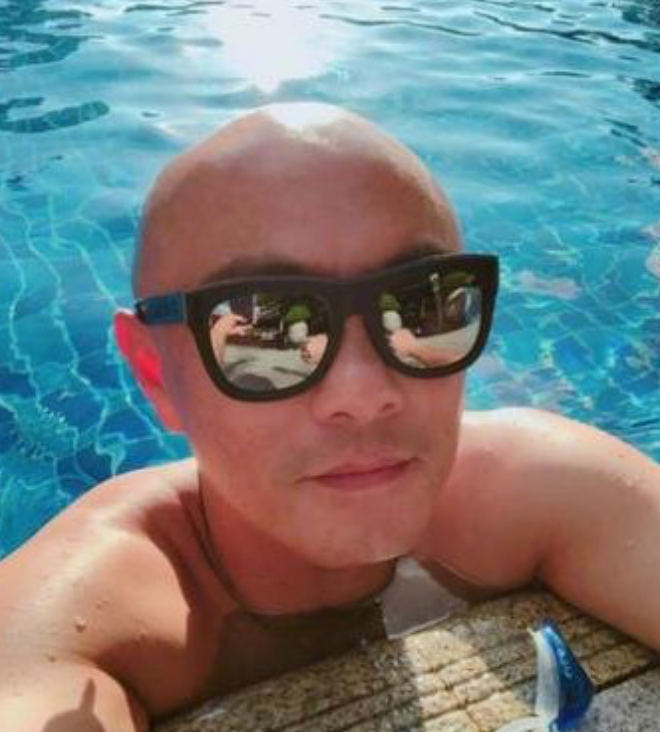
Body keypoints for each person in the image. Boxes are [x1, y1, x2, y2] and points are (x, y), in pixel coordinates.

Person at [1, 102, 659, 732]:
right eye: (262, 331)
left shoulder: (532, 492)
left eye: (422, 305)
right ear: (154, 373)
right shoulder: (84, 620)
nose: (363, 392)